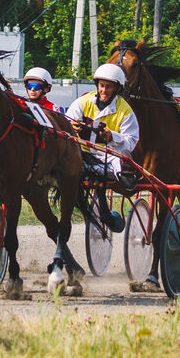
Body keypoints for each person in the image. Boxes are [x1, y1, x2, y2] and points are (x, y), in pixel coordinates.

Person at [65, 64, 140, 233]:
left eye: (108, 86)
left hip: (111, 156)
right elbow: (66, 121)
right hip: (82, 154)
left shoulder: (125, 110)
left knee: (119, 164)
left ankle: (127, 175)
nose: (104, 90)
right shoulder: (83, 102)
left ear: (116, 88)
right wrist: (71, 126)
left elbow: (132, 140)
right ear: (97, 85)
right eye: (101, 86)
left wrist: (112, 136)